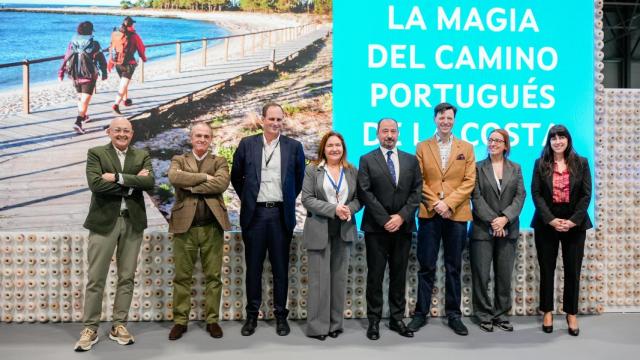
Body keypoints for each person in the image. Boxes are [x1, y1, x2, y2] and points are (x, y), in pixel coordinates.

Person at [74, 117, 154, 351]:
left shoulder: (141, 155)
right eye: (117, 130)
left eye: (126, 131)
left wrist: (118, 178)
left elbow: (149, 182)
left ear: (132, 133)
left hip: (132, 223)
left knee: (126, 277)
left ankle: (119, 324)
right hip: (103, 223)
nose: (122, 134)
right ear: (109, 132)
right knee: (96, 278)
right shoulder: (96, 153)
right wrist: (133, 183)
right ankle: (90, 327)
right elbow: (96, 185)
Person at [230, 102, 305, 336]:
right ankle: (252, 316)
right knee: (253, 268)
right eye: (271, 119)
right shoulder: (247, 144)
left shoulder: (294, 147)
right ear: (262, 119)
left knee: (281, 269)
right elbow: (236, 176)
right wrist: (251, 198)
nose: (275, 123)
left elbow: (299, 179)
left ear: (283, 121)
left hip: (280, 215)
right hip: (255, 215)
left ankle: (280, 316)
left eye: (279, 119)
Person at [408, 102, 476, 336]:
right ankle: (420, 313)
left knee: (453, 266)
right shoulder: (422, 146)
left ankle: (454, 315)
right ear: (435, 119)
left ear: (454, 120)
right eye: (441, 117)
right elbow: (419, 180)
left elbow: (469, 181)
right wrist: (437, 203)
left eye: (449, 118)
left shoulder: (466, 148)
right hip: (430, 213)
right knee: (426, 266)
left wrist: (449, 203)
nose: (445, 121)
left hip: (456, 215)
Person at [357, 118, 422, 340]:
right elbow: (365, 192)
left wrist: (401, 217)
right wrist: (386, 219)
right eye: (385, 131)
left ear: (397, 134)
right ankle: (373, 321)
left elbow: (417, 193)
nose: (389, 135)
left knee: (398, 275)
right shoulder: (366, 159)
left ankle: (396, 319)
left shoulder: (411, 160)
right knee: (375, 276)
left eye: (393, 131)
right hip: (376, 228)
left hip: (402, 229)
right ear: (377, 134)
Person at [167, 122, 231, 340]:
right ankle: (180, 321)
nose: (202, 139)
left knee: (213, 276)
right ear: (191, 138)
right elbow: (175, 178)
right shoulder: (179, 159)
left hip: (212, 227)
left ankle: (212, 320)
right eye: (198, 135)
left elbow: (221, 184)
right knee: (182, 276)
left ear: (211, 139)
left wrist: (190, 186)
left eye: (206, 136)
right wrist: (204, 178)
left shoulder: (219, 161)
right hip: (185, 227)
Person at [531, 124, 592, 337]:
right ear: (549, 142)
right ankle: (547, 311)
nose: (558, 141)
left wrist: (573, 221)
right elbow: (536, 194)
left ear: (568, 140)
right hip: (547, 223)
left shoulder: (581, 163)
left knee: (572, 270)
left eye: (561, 137)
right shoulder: (541, 163)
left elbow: (586, 195)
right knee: (547, 269)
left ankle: (571, 313)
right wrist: (551, 220)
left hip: (575, 224)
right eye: (553, 138)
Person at [301, 131, 361, 341]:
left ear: (343, 148)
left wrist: (349, 210)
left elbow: (359, 199)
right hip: (319, 228)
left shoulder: (351, 170)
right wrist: (333, 209)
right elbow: (307, 199)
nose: (335, 149)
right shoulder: (313, 170)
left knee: (338, 279)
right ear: (323, 149)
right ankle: (318, 327)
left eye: (338, 145)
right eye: (330, 146)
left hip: (343, 229)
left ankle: (335, 324)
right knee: (319, 281)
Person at [469, 129, 525, 332]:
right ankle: (484, 315)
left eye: (497, 141)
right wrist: (494, 221)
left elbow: (520, 197)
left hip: (508, 230)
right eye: (490, 140)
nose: (492, 143)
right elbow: (475, 197)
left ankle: (501, 314)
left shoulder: (516, 168)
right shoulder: (476, 168)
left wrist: (505, 219)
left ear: (505, 145)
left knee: (503, 275)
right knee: (481, 275)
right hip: (482, 230)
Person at [59, 21, 107, 135]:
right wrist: (104, 72)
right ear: (91, 31)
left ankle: (84, 116)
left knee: (81, 97)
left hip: (74, 75)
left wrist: (61, 72)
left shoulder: (72, 43)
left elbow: (66, 57)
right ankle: (78, 121)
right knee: (85, 99)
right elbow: (101, 59)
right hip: (89, 75)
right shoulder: (94, 43)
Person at [109, 16, 147, 115]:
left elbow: (112, 48)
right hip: (128, 64)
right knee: (123, 84)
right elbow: (141, 48)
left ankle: (125, 100)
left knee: (123, 82)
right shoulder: (134, 35)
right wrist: (143, 58)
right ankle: (116, 104)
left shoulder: (116, 34)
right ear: (132, 25)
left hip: (117, 63)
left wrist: (111, 63)